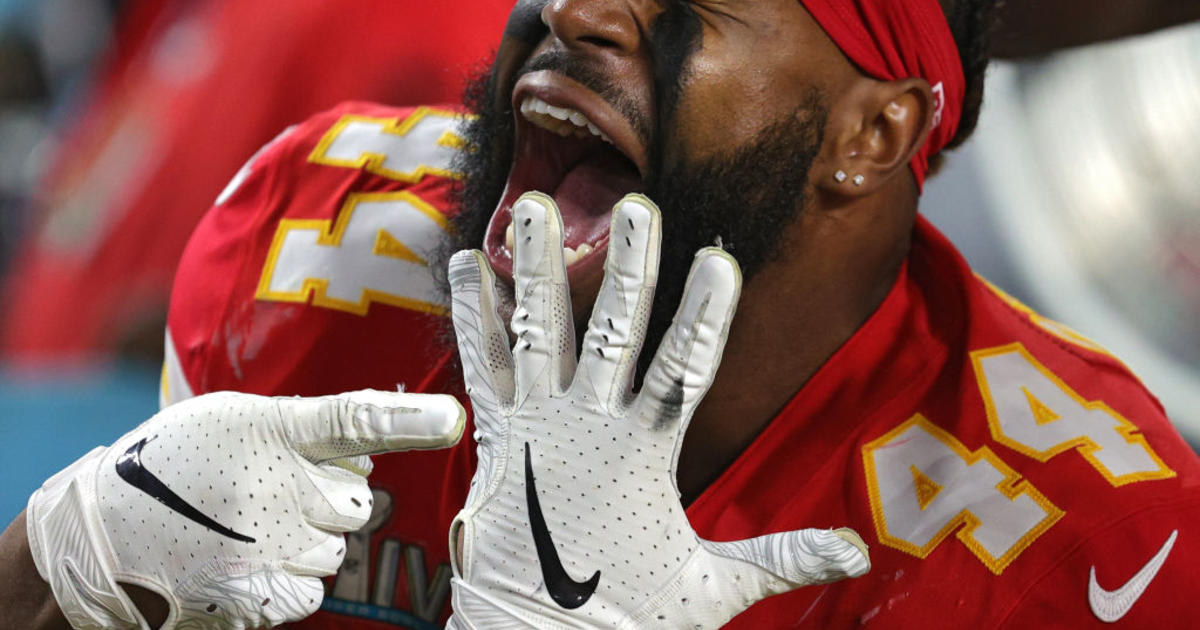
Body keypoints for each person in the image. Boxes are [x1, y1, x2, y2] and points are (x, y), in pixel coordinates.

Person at [5, 0, 1200, 628]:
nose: (580, 12)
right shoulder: (318, 254)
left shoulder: (1090, 539)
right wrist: (60, 566)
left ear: (873, 132)